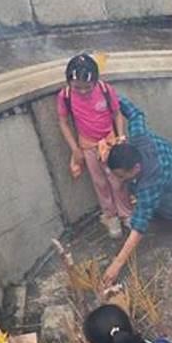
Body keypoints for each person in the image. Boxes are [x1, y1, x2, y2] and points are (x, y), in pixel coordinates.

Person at [103, 98, 172, 284]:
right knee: (145, 197)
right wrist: (107, 96)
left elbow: (139, 226)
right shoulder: (139, 136)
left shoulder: (149, 185)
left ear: (135, 168)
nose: (117, 178)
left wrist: (117, 264)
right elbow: (135, 113)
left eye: (120, 175)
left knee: (159, 204)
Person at [57, 54, 131, 239]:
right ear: (69, 83)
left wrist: (121, 137)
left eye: (87, 88)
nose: (82, 91)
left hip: (110, 141)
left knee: (117, 180)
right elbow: (63, 122)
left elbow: (116, 114)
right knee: (100, 183)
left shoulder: (106, 90)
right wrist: (75, 149)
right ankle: (110, 215)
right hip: (88, 145)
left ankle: (126, 213)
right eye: (77, 88)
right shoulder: (65, 96)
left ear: (96, 82)